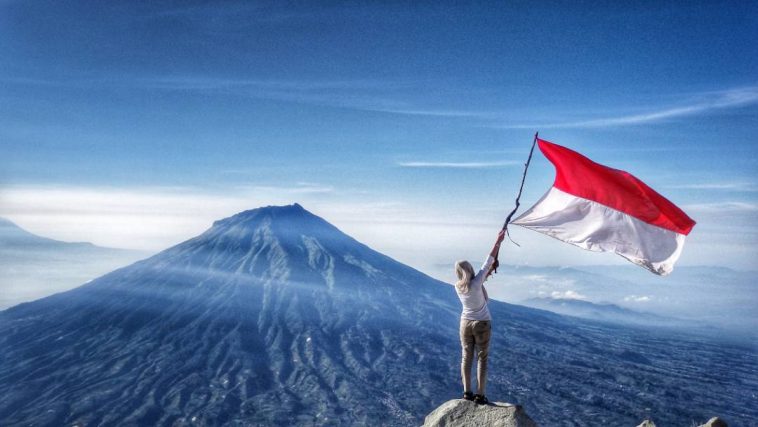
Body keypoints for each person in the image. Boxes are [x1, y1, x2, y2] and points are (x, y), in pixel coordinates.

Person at [454, 229, 505, 405]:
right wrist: (499, 240)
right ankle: (480, 395)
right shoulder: (477, 283)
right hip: (481, 323)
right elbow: (489, 260)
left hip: (464, 323)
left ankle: (467, 393)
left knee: (466, 357)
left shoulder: (457, 287)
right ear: (470, 270)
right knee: (482, 358)